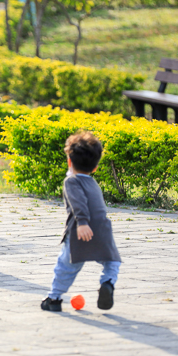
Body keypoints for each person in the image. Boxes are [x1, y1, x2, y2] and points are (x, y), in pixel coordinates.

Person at [41, 131, 121, 312]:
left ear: (70, 161)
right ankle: (108, 282)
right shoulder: (94, 183)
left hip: (80, 231)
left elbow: (78, 202)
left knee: (66, 266)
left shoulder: (71, 181)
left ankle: (54, 299)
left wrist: (83, 222)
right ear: (95, 167)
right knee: (112, 262)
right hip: (102, 231)